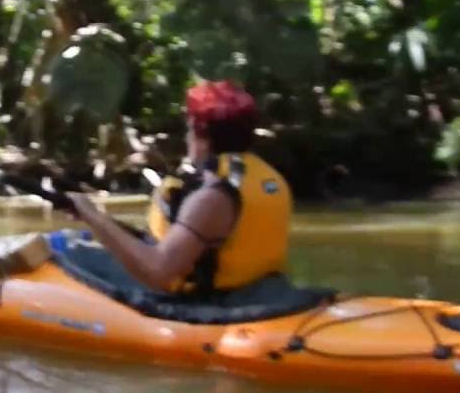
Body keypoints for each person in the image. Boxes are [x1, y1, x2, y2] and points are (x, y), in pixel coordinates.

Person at [66, 80, 291, 298]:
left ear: (202, 138)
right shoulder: (270, 178)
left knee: (65, 251)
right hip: (254, 295)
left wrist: (92, 215)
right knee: (83, 238)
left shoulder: (212, 198)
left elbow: (158, 271)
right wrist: (96, 218)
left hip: (211, 309)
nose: (186, 137)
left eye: (189, 130)